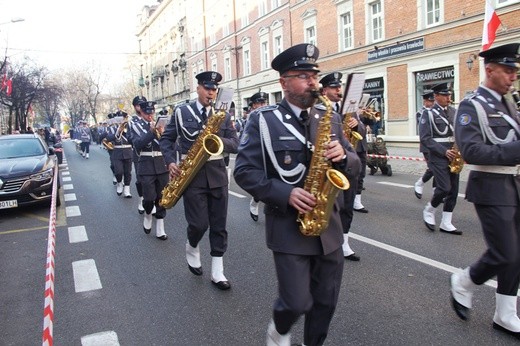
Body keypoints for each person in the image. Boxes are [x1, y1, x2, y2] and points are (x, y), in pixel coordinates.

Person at [234, 43, 358, 346]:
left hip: (328, 226)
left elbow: (355, 165)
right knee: (296, 302)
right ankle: (278, 330)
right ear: (283, 82)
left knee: (325, 303)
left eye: (313, 75)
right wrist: (285, 193)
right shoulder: (262, 120)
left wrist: (343, 156)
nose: (312, 82)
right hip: (288, 226)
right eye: (302, 76)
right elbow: (244, 172)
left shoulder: (330, 116)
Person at [450, 42, 520, 339]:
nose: (513, 76)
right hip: (491, 187)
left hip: (514, 185)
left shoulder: (509, 103)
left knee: (517, 255)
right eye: (507, 70)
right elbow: (471, 150)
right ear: (489, 70)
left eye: (515, 70)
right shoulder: (472, 105)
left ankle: (505, 313)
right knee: (504, 252)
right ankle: (464, 280)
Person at [160, 70, 239, 290]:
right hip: (191, 175)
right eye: (207, 88)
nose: (211, 93)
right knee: (198, 224)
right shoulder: (181, 112)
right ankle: (192, 245)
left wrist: (218, 140)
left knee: (219, 224)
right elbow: (166, 140)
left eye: (214, 89)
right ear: (198, 88)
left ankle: (217, 270)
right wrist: (170, 162)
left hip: (217, 173)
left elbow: (236, 142)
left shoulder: (223, 114)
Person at [320, 71, 362, 261]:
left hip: (347, 160)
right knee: (333, 205)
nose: (339, 90)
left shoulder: (348, 108)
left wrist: (356, 124)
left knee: (348, 204)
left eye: (340, 87)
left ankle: (344, 241)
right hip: (328, 163)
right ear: (325, 90)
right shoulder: (320, 109)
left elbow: (362, 127)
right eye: (335, 87)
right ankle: (328, 240)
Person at [419, 82, 461, 234]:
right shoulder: (428, 113)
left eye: (449, 95)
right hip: (438, 156)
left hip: (454, 155)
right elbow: (425, 138)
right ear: (436, 96)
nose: (448, 98)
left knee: (454, 190)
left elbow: (459, 132)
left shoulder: (454, 112)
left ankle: (446, 222)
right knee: (444, 187)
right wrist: (444, 152)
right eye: (444, 95)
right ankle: (429, 210)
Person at [131, 100, 169, 240]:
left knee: (162, 198)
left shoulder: (161, 124)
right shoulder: (135, 126)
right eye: (147, 112)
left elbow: (169, 143)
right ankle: (148, 214)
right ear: (141, 112)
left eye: (152, 112)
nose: (150, 115)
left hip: (161, 163)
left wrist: (162, 132)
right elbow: (138, 144)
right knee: (149, 198)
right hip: (146, 164)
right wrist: (152, 132)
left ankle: (160, 226)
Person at [345, 92, 375, 213]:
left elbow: (373, 121)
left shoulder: (360, 113)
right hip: (353, 147)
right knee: (353, 175)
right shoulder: (348, 112)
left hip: (362, 146)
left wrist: (366, 113)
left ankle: (357, 201)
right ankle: (349, 200)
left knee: (361, 174)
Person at [246, 91, 269, 222]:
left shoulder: (271, 115)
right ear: (253, 105)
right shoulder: (251, 118)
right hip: (257, 154)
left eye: (263, 102)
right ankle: (254, 202)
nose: (262, 105)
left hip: (270, 153)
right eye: (259, 103)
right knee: (261, 184)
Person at [106, 111, 133, 198]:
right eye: (119, 118)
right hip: (117, 152)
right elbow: (108, 138)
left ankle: (127, 190)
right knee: (118, 171)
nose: (121, 120)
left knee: (127, 172)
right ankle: (119, 183)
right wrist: (118, 131)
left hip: (128, 151)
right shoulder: (112, 128)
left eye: (123, 118)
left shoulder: (130, 127)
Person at [414, 90, 435, 199]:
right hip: (427, 145)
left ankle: (436, 191)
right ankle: (420, 182)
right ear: (425, 101)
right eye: (430, 101)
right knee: (432, 168)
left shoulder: (436, 111)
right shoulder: (420, 113)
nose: (432, 104)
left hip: (438, 145)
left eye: (433, 101)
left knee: (440, 168)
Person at [130, 95, 148, 214]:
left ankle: (151, 201)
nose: (140, 107)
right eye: (138, 105)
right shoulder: (132, 121)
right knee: (141, 179)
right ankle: (141, 199)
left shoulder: (151, 118)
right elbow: (130, 139)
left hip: (153, 154)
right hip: (139, 154)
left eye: (142, 104)